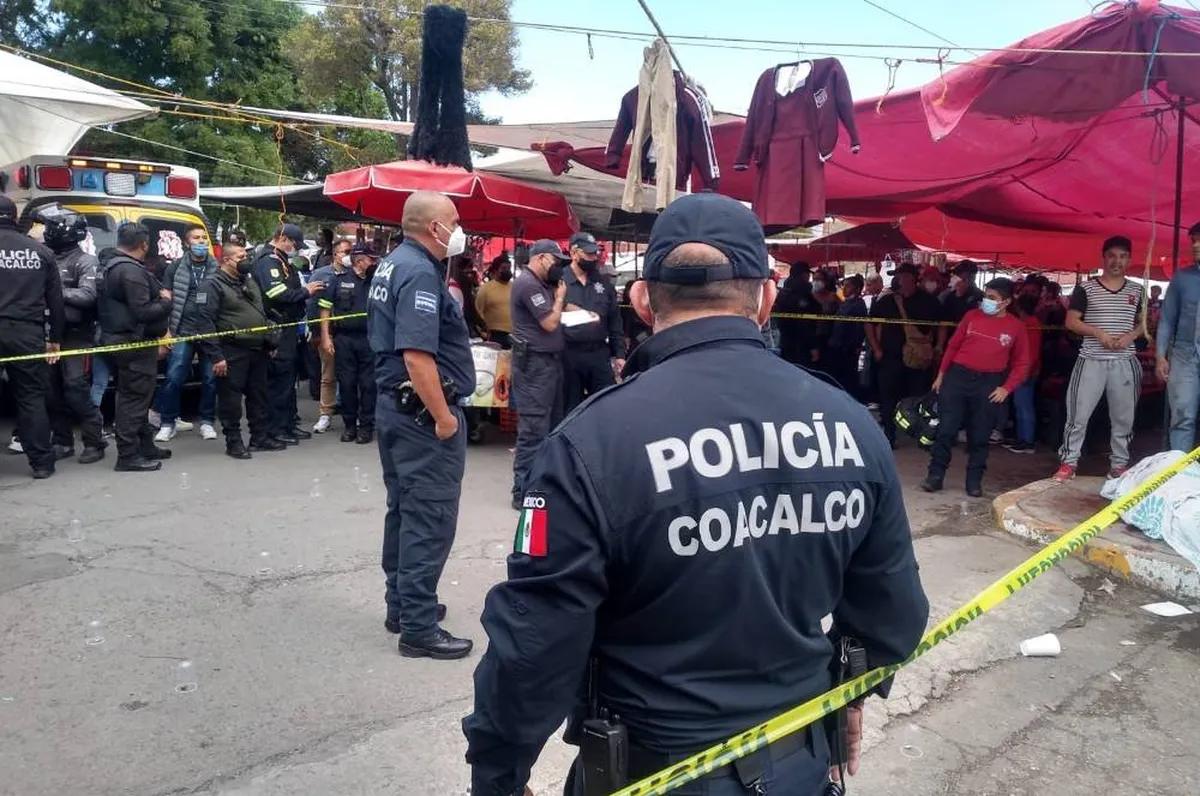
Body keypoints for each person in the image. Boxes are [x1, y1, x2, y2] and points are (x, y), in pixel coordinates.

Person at [464, 193, 929, 796]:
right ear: (766, 298)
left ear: (640, 301)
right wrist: (852, 690)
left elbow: (534, 644)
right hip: (799, 764)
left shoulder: (592, 441)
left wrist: (499, 773)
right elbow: (894, 611)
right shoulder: (849, 421)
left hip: (654, 773)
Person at [369, 191, 476, 660]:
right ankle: (417, 625)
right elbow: (417, 355)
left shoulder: (395, 262)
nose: (459, 228)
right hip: (421, 417)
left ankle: (403, 605)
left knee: (405, 510)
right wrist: (444, 419)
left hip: (395, 409)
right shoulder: (417, 272)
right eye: (454, 220)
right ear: (434, 228)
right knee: (428, 518)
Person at [921, 278, 1031, 497]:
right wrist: (941, 375)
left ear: (1006, 302)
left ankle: (974, 481)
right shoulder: (971, 317)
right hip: (958, 377)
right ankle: (935, 475)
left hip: (989, 382)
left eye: (992, 298)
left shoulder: (1016, 327)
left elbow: (1022, 363)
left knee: (980, 435)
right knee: (946, 429)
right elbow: (953, 346)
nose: (986, 302)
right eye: (985, 296)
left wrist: (1007, 388)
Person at [1054, 236, 1145, 481]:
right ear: (1104, 257)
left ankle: (1118, 465)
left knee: (1124, 417)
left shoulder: (1138, 290)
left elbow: (1145, 324)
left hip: (1125, 361)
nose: (1117, 261)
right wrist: (1097, 333)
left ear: (1129, 259)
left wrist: (1130, 336)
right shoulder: (1086, 288)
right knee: (1078, 415)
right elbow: (1071, 321)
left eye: (1123, 256)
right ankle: (1069, 462)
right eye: (1112, 255)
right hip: (1091, 360)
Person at [192, 243, 284, 459]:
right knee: (231, 400)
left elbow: (259, 311)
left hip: (257, 348)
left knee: (258, 395)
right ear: (226, 259)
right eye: (241, 256)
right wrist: (216, 357)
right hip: (231, 349)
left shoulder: (248, 280)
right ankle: (233, 441)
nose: (246, 260)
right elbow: (205, 322)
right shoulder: (212, 284)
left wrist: (269, 343)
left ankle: (259, 437)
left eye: (246, 255)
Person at [96, 222, 173, 472]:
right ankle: (128, 455)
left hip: (121, 341)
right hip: (133, 343)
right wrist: (165, 302)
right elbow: (142, 311)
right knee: (134, 399)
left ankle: (145, 446)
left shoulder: (112, 265)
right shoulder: (130, 270)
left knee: (136, 395)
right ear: (144, 244)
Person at [0, 194, 64, 478]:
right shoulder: (40, 251)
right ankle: (41, 462)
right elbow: (56, 300)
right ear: (15, 218)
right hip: (27, 331)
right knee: (30, 397)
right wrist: (55, 337)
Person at [38, 205, 106, 465]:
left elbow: (89, 296)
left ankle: (94, 441)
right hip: (47, 334)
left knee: (76, 389)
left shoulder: (85, 261)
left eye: (49, 228)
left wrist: (54, 293)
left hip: (76, 336)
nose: (46, 233)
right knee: (50, 390)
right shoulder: (45, 257)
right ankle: (62, 441)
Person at [508, 239, 570, 511]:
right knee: (533, 431)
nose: (559, 268)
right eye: (556, 262)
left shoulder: (542, 283)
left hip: (549, 364)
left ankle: (542, 484)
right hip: (534, 365)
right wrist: (559, 299)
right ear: (542, 258)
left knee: (551, 426)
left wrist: (579, 310)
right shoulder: (528, 283)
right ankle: (522, 492)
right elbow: (548, 321)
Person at [252, 223, 324, 445]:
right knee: (279, 380)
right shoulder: (268, 261)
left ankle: (288, 423)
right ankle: (276, 428)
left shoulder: (282, 259)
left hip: (291, 326)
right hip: (278, 326)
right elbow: (275, 293)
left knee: (289, 379)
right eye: (294, 243)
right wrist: (305, 292)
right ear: (282, 238)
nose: (296, 248)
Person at [154, 223, 220, 443]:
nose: (201, 242)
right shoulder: (175, 268)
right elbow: (165, 300)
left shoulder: (216, 267)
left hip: (210, 331)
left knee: (210, 379)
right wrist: (165, 332)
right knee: (174, 377)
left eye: (204, 238)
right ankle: (167, 423)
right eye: (196, 238)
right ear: (186, 242)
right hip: (182, 330)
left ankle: (207, 422)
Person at [867, 263, 943, 448]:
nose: (897, 280)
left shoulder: (929, 301)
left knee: (919, 398)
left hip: (918, 361)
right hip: (891, 358)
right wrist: (876, 348)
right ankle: (889, 435)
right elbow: (869, 323)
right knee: (887, 398)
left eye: (900, 276)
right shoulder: (887, 301)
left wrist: (938, 347)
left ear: (910, 277)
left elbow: (942, 324)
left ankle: (920, 435)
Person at [319, 243, 378, 444]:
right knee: (347, 383)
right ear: (360, 261)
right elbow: (325, 309)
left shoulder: (377, 281)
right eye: (371, 259)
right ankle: (350, 426)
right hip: (344, 340)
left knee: (369, 385)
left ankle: (366, 426)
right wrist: (326, 337)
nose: (374, 263)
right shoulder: (339, 280)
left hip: (369, 339)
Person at [561, 231, 624, 413]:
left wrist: (619, 354)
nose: (594, 257)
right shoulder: (559, 281)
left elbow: (615, 322)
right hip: (568, 354)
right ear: (574, 253)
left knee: (606, 404)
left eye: (595, 253)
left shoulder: (603, 284)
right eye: (589, 253)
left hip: (598, 354)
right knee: (570, 408)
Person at [1156, 221, 1200, 453]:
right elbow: (1167, 320)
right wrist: (1161, 356)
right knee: (1183, 415)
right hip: (1184, 354)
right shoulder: (1181, 278)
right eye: (1193, 240)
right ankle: (1179, 473)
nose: (1196, 245)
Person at [308, 237, 352, 432]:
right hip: (327, 333)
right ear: (335, 254)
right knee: (328, 376)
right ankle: (325, 414)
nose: (348, 257)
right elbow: (312, 305)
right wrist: (317, 332)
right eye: (345, 252)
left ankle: (353, 414)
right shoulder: (321, 274)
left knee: (352, 376)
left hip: (349, 334)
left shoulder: (354, 275)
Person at [826, 273, 868, 400]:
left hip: (847, 348)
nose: (844, 289)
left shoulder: (858, 305)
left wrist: (854, 345)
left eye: (848, 286)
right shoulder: (845, 303)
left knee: (848, 378)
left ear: (857, 289)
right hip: (837, 346)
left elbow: (858, 328)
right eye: (844, 286)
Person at [474, 254, 514, 348]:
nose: (507, 271)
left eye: (509, 268)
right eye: (504, 268)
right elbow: (477, 311)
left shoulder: (514, 287)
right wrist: (484, 332)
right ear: (495, 270)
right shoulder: (485, 289)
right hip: (495, 335)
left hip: (513, 335)